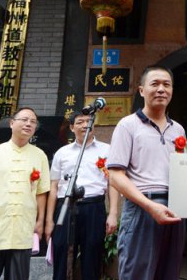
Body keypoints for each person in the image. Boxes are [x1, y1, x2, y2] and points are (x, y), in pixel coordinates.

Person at [107, 66, 186, 280]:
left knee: (168, 272)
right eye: (155, 84)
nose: (161, 89)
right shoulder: (128, 125)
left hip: (175, 209)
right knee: (138, 273)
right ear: (141, 90)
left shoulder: (178, 129)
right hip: (142, 208)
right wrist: (150, 206)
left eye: (166, 85)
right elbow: (115, 175)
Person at [45, 111, 119, 280]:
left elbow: (112, 183)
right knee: (62, 252)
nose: (86, 125)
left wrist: (113, 213)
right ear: (72, 127)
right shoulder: (62, 153)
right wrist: (50, 220)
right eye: (80, 122)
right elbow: (54, 186)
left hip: (94, 208)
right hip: (65, 207)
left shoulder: (107, 150)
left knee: (92, 254)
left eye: (89, 121)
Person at [0, 107, 50, 280]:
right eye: (24, 120)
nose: (29, 124)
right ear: (12, 123)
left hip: (23, 227)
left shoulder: (40, 155)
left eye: (33, 122)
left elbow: (41, 192)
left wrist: (40, 221)